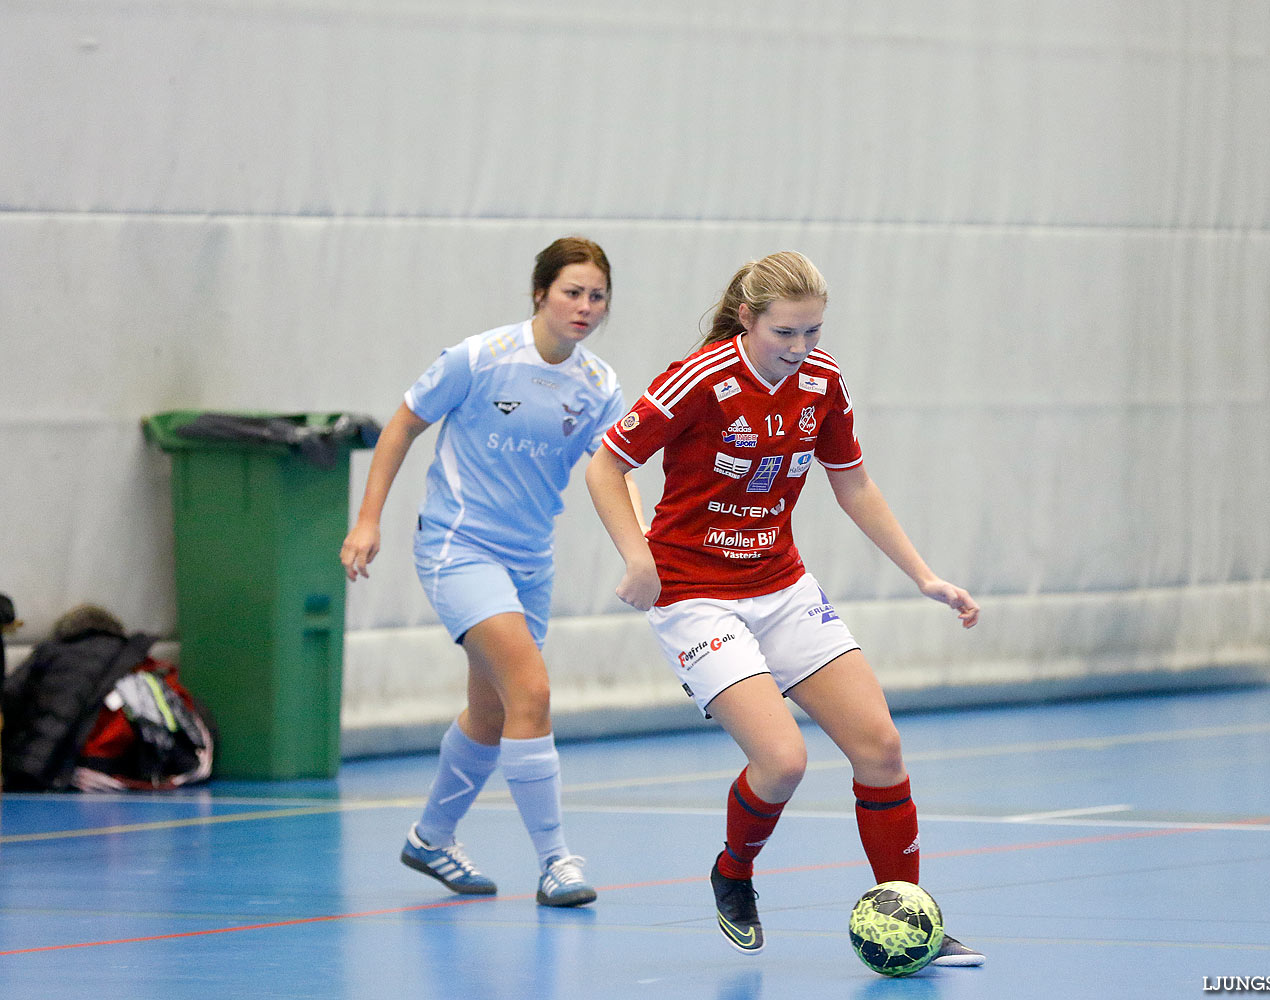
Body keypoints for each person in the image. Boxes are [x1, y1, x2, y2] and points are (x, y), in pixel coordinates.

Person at [585, 250, 985, 965]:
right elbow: (607, 463)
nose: (800, 350)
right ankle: (733, 872)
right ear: (748, 319)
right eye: (785, 334)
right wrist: (637, 557)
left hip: (782, 586)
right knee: (782, 760)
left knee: (882, 749)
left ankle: (910, 920)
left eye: (814, 333)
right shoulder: (699, 379)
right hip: (695, 596)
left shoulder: (821, 383)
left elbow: (854, 485)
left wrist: (923, 575)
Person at [342, 236, 637, 906]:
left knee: (491, 710)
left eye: (597, 296)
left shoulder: (599, 386)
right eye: (572, 292)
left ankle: (431, 836)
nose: (585, 307)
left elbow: (610, 470)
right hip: (457, 546)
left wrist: (639, 549)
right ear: (540, 294)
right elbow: (401, 427)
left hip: (528, 561)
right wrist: (368, 519)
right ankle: (557, 860)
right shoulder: (480, 357)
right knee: (530, 692)